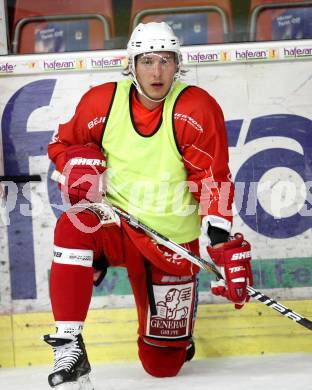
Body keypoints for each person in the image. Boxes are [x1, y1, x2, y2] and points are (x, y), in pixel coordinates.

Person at [45, 22, 253, 389]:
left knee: (162, 365)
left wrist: (220, 241)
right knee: (74, 224)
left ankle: (175, 338)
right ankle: (69, 343)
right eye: (147, 61)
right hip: (117, 225)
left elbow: (213, 179)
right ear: (131, 64)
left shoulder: (197, 107)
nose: (156, 72)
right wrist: (76, 162)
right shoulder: (101, 102)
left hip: (170, 241)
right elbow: (62, 146)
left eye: (165, 61)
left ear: (177, 64)